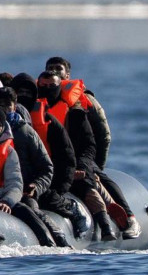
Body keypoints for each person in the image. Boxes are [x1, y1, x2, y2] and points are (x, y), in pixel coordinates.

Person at [45, 56, 140, 238]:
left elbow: (103, 134)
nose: (55, 72)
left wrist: (96, 164)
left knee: (100, 178)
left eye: (59, 69)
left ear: (68, 74)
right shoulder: (42, 100)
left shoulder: (85, 100)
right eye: (51, 68)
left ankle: (130, 218)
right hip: (56, 157)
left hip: (84, 155)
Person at [38, 70, 120, 241]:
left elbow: (90, 145)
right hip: (44, 169)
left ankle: (105, 225)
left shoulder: (75, 113)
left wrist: (83, 167)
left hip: (73, 167)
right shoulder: (32, 112)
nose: (47, 90)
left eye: (52, 86)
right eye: (43, 86)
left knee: (87, 186)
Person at [10, 73, 92, 237]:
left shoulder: (47, 123)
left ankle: (68, 211)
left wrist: (60, 188)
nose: (24, 96)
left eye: (28, 92)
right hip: (8, 183)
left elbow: (66, 158)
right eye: (20, 92)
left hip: (39, 182)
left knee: (47, 199)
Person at [0, 106, 66, 247]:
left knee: (25, 210)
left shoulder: (9, 152)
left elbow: (15, 183)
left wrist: (7, 201)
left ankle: (49, 244)